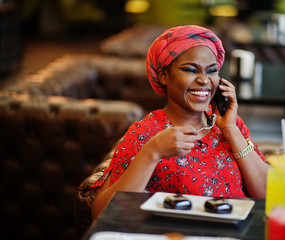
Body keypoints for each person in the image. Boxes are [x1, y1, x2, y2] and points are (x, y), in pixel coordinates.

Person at [91, 25, 269, 220]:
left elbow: (269, 195)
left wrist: (231, 130)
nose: (204, 80)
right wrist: (153, 151)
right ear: (164, 76)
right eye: (191, 70)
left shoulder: (229, 125)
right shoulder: (146, 133)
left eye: (211, 71)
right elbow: (101, 212)